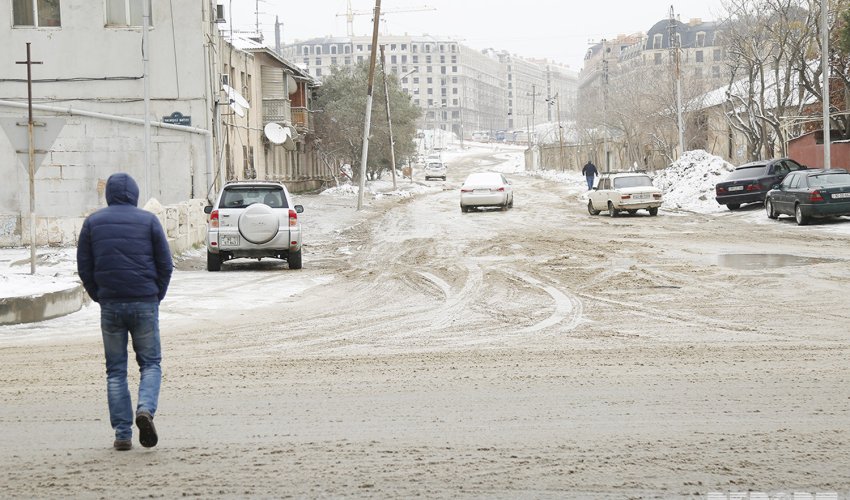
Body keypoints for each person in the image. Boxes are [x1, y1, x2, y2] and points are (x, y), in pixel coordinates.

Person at [77, 173, 173, 451]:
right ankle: (145, 410)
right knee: (151, 364)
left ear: (108, 195)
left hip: (111, 305)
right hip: (144, 301)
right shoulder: (149, 220)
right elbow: (165, 264)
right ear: (134, 194)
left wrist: (100, 296)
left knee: (115, 371)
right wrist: (155, 296)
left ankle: (122, 434)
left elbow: (85, 266)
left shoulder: (93, 223)